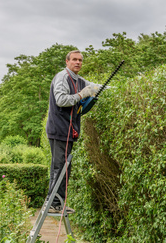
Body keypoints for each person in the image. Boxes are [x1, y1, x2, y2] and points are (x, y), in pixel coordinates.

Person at [46, 50, 98, 213]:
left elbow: (94, 87)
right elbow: (61, 100)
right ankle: (53, 203)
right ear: (67, 61)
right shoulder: (62, 77)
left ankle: (58, 203)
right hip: (58, 129)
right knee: (59, 166)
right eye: (74, 60)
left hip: (69, 131)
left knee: (65, 167)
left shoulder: (79, 80)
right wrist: (81, 95)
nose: (78, 62)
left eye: (80, 60)